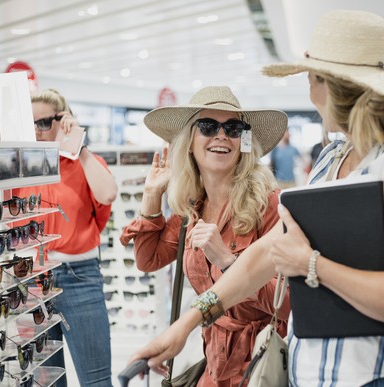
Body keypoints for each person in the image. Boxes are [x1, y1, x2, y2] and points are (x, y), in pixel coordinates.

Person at [129, 10, 384, 387]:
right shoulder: (333, 158)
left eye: (310, 77)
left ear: (327, 84)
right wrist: (188, 324)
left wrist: (311, 264)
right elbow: (264, 255)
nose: (308, 88)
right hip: (312, 372)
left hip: (373, 375)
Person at [119, 86, 291, 386]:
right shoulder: (192, 209)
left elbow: (287, 302)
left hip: (260, 366)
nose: (221, 136)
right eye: (208, 127)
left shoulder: (268, 204)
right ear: (189, 142)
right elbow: (148, 260)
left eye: (233, 128)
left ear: (244, 141)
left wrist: (227, 260)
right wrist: (151, 194)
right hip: (214, 364)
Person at [13, 89, 117, 387]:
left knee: (96, 381)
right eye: (30, 124)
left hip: (79, 277)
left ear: (64, 120)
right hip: (31, 282)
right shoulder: (19, 168)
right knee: (46, 383)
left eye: (44, 123)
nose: (36, 132)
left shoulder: (84, 163)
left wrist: (78, 147)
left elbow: (108, 194)